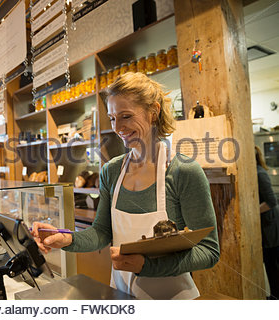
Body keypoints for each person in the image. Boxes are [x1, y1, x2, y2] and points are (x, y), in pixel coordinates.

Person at [32, 72, 220, 300]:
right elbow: (102, 233)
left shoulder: (184, 172)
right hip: (122, 295)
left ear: (154, 112)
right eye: (112, 118)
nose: (118, 127)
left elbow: (208, 251)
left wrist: (147, 266)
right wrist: (66, 238)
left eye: (126, 116)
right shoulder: (111, 171)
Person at [255, 145, 279, 299]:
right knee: (271, 265)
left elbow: (271, 201)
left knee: (273, 266)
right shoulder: (256, 172)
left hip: (270, 227)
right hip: (266, 226)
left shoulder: (259, 173)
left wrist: (251, 213)